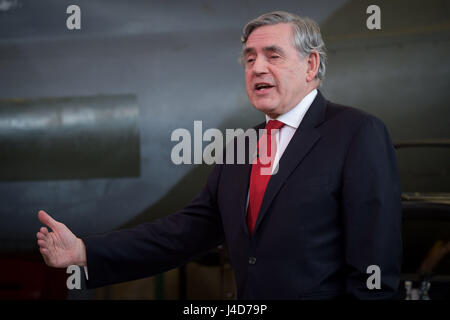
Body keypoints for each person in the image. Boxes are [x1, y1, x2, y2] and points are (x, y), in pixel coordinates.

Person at [36, 11, 402, 299]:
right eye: (249, 58)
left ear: (310, 66)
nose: (257, 67)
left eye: (273, 55)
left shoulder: (357, 133)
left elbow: (374, 265)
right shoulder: (242, 146)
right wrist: (85, 251)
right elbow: (185, 232)